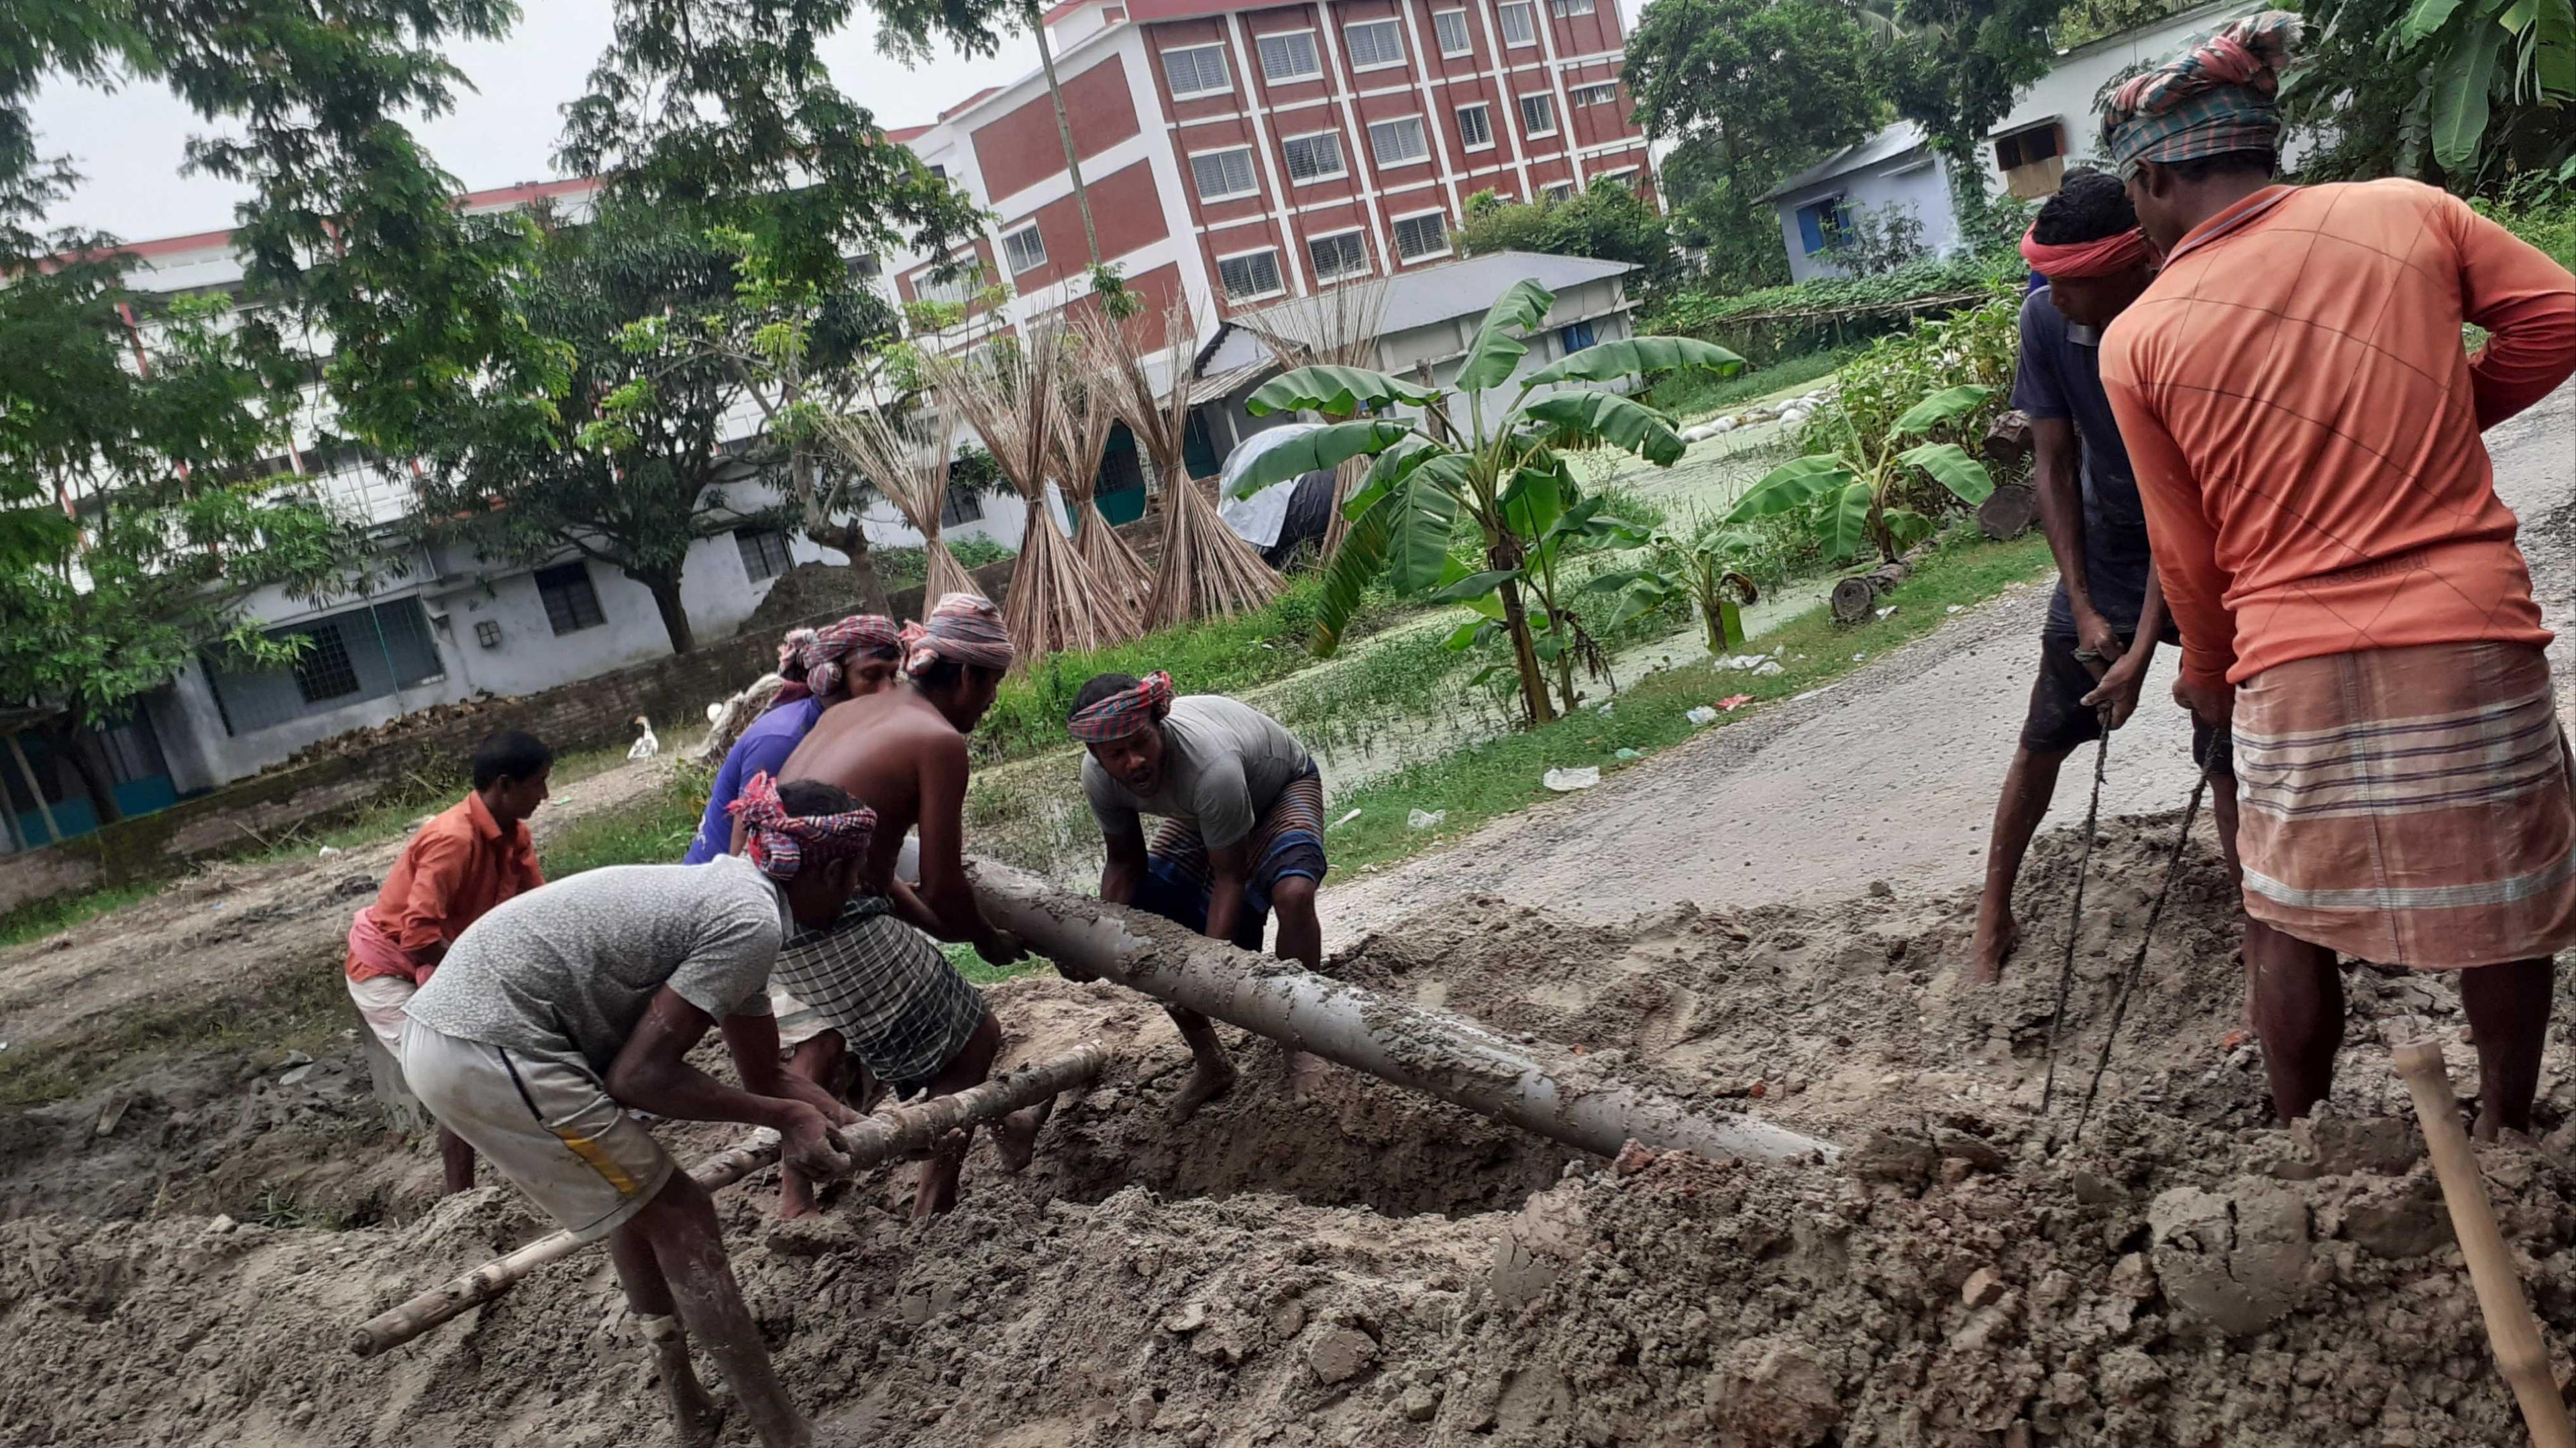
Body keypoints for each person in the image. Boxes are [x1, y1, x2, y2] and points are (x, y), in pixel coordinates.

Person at [2097, 11, 2576, 1132]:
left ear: (2161, 179)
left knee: (2285, 915)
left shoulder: (2142, 334)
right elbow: (2556, 319)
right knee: (2503, 907)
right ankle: (2507, 1122)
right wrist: (2439, 420)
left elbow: (2189, 553)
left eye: (2134, 196)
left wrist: (2205, 680)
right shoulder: (2406, 212)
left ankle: (2302, 1126)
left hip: (2290, 661)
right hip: (2469, 633)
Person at [402, 775, 874, 1448]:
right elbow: (640, 1075)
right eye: (855, 871)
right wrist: (785, 1118)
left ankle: (692, 1406)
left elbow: (765, 1069)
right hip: (488, 1042)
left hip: (460, 1036)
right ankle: (783, 1432)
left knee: (636, 1201)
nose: (858, 887)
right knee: (681, 1210)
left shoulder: (733, 895)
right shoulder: (751, 921)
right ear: (827, 868)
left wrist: (839, 1118)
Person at [1969, 171, 2258, 985]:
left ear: (2134, 269)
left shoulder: (2186, 320)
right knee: (2046, 731)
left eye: (2070, 284)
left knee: (2225, 744)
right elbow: (2055, 467)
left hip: (2205, 546)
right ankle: (1993, 912)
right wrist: (2091, 611)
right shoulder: (2044, 320)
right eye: (2046, 280)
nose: (2052, 298)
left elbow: (2191, 502)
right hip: (2109, 546)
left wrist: (2144, 654)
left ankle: (2256, 927)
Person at [775, 592, 1043, 1217]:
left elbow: (876, 872)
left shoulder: (856, 710)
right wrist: (986, 939)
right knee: (975, 1037)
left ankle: (799, 1197)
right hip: (824, 915)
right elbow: (944, 884)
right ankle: (934, 1202)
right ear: (970, 675)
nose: (993, 701)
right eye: (993, 685)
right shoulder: (938, 740)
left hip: (775, 903)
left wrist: (949, 930)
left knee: (860, 1028)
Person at [1068, 671, 1329, 1118]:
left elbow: (1231, 876)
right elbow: (1125, 863)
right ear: (1096, 753)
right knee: (1150, 933)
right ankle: (1212, 1060)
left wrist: (1203, 976)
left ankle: (1302, 1041)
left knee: (1293, 894)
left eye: (1141, 743)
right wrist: (1092, 941)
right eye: (1117, 754)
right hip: (1202, 818)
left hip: (1277, 789)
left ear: (1160, 724)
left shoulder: (1210, 766)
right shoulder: (1098, 779)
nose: (1134, 762)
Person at [343, 729, 551, 1193]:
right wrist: (480, 973)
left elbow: (538, 912)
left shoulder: (516, 836)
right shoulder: (453, 838)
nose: (545, 794)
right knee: (452, 1074)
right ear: (503, 785)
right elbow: (419, 937)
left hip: (446, 955)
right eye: (538, 783)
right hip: (387, 968)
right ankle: (460, 1201)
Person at [682, 615, 904, 864]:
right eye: (872, 676)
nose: (888, 691)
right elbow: (743, 857)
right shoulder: (782, 740)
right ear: (831, 677)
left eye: (893, 676)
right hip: (726, 883)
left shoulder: (851, 729)